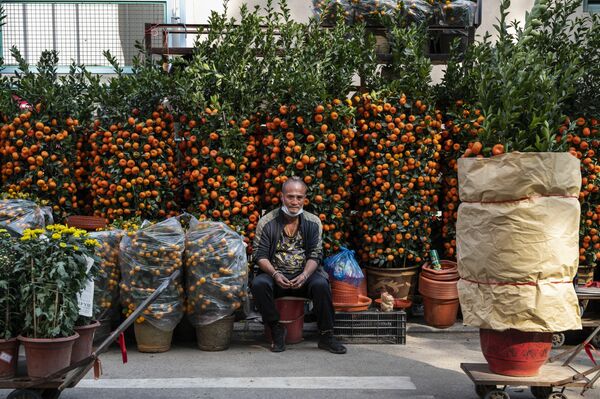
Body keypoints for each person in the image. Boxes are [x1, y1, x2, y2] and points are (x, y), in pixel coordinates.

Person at [251, 176, 347, 354]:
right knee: (258, 284)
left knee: (321, 284)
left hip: (304, 278)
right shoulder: (267, 222)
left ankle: (326, 336)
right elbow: (260, 255)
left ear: (305, 198)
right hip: (276, 278)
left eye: (299, 197)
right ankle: (276, 330)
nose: (294, 201)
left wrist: (304, 275)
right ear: (282, 197)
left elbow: (315, 254)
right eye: (290, 196)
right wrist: (275, 274)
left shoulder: (313, 222)